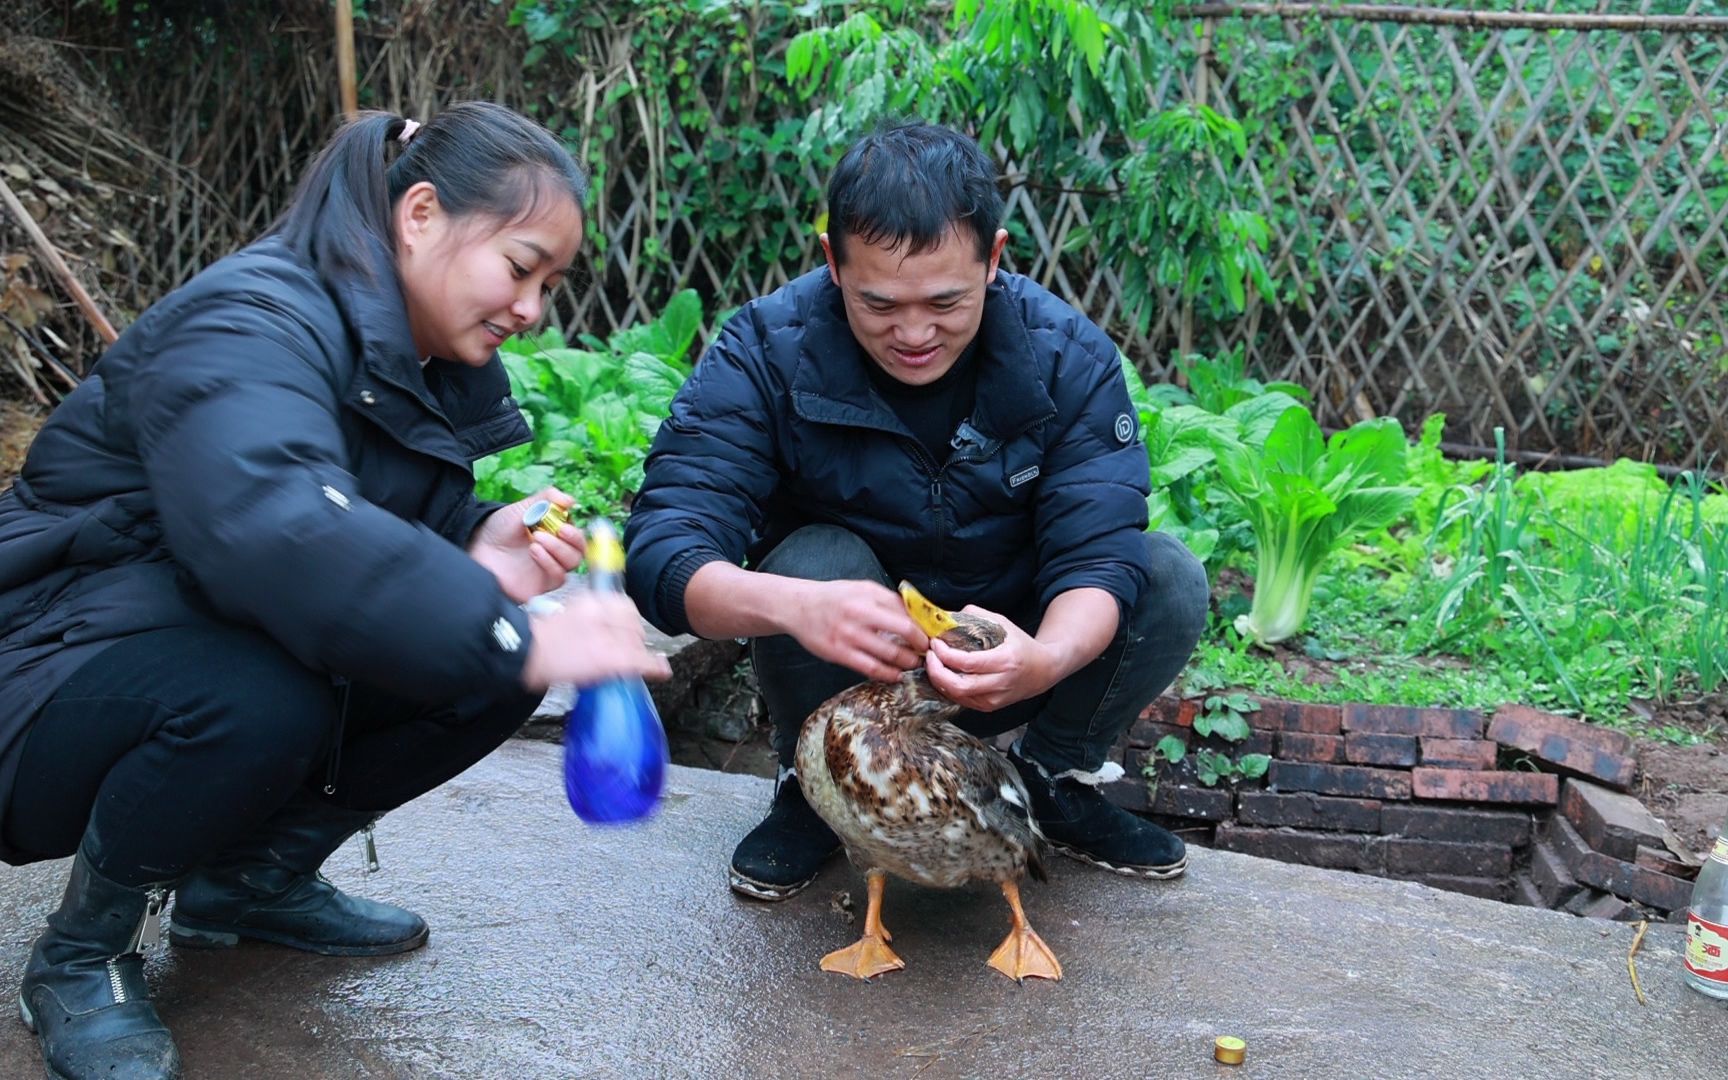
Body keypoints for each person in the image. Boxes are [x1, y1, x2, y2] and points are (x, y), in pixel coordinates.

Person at [0, 102, 670, 1080]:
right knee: (276, 697)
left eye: (550, 284)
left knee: (484, 665)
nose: (534, 309)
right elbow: (277, 523)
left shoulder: (412, 354)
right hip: (42, 666)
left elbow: (354, 507)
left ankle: (245, 884)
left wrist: (474, 536)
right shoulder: (250, 319)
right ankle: (82, 951)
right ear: (422, 215)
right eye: (521, 268)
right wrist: (511, 634)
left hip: (176, 627)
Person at [625, 120, 1211, 903]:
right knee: (813, 559)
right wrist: (797, 605)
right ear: (832, 263)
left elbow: (1097, 550)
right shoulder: (764, 349)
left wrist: (1044, 658)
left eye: (945, 302)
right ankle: (817, 788)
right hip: (844, 665)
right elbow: (665, 546)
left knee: (1166, 575)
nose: (913, 334)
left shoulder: (1068, 357)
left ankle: (1047, 776)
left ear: (994, 259)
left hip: (1006, 648)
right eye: (878, 303)